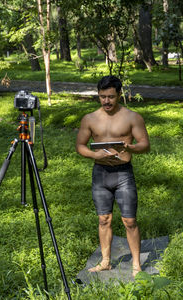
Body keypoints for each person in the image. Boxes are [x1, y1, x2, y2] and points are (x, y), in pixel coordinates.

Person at [76, 75, 150, 277]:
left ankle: (136, 265)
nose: (106, 101)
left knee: (130, 221)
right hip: (100, 173)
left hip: (123, 174)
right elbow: (80, 146)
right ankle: (106, 261)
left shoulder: (132, 117)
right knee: (104, 219)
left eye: (110, 96)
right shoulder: (90, 119)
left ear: (119, 95)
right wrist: (94, 154)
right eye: (102, 97)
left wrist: (130, 147)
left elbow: (145, 144)